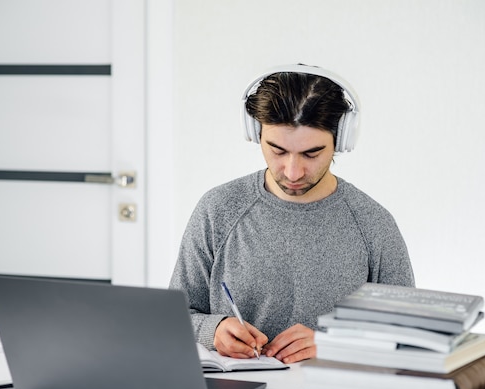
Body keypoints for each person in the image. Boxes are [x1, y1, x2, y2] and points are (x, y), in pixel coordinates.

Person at [169, 64, 414, 364]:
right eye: (277, 150)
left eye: (311, 154)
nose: (293, 172)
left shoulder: (373, 224)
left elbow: (410, 335)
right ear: (255, 134)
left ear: (342, 139)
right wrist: (213, 329)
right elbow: (173, 318)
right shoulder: (217, 210)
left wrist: (335, 342)